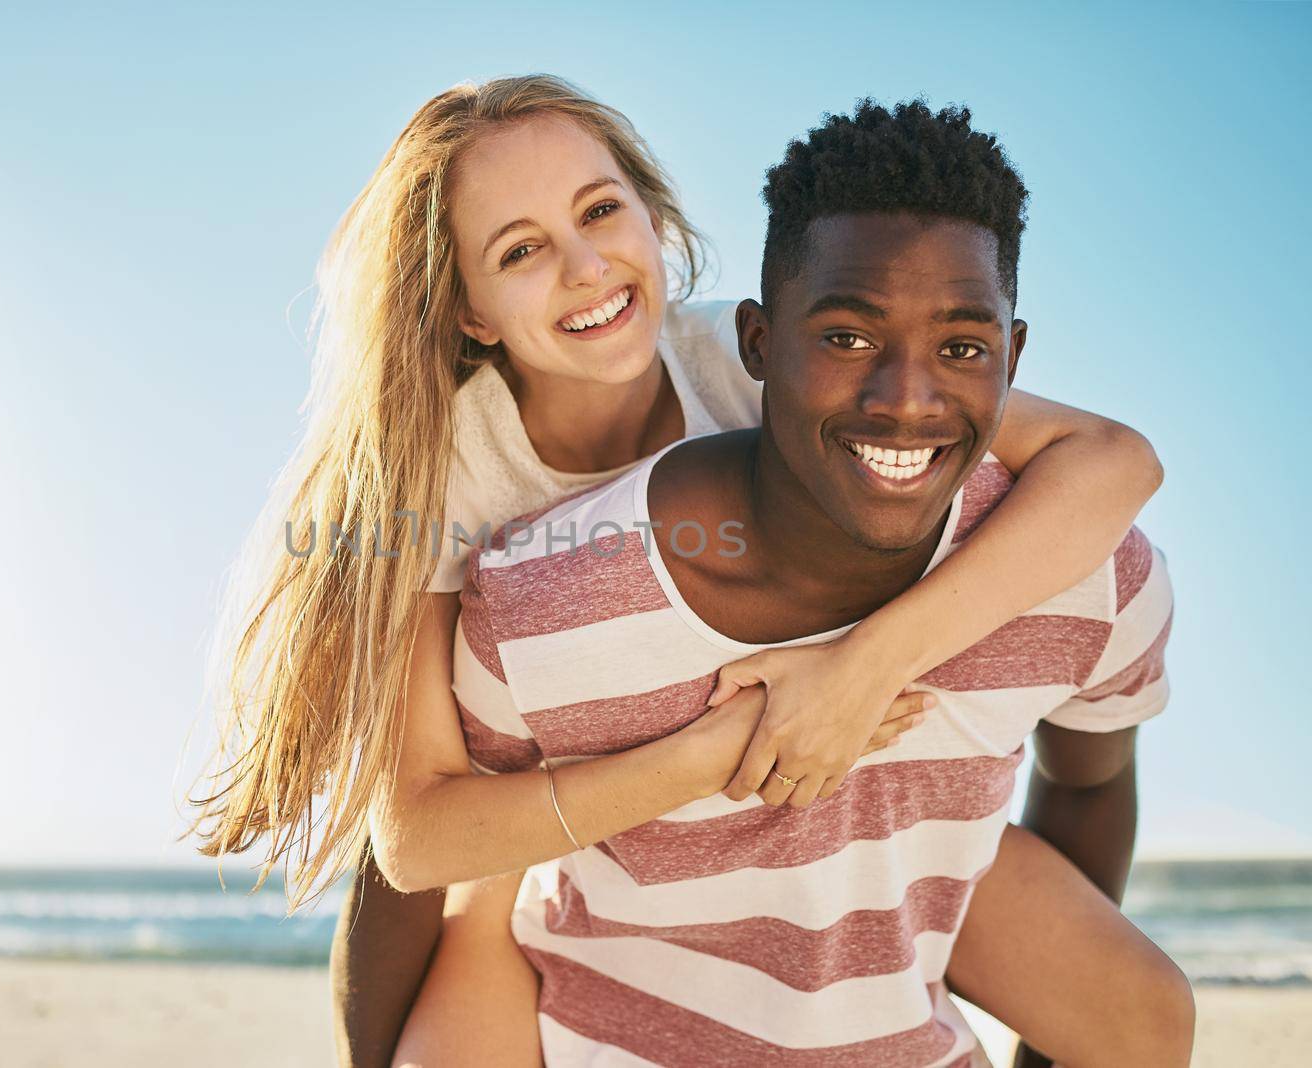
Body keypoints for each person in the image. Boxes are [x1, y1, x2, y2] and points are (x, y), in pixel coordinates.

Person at [181, 78, 1184, 1066]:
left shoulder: (758, 357)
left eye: (601, 211)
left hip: (836, 784)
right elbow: (410, 843)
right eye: (521, 250)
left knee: (1135, 1006)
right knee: (478, 917)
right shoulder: (442, 473)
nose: (585, 268)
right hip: (555, 791)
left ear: (652, 216)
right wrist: (721, 750)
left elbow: (1115, 462)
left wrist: (865, 670)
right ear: (470, 310)